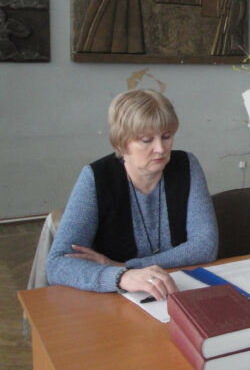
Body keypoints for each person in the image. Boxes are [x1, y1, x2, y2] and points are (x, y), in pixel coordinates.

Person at [46, 89, 218, 300]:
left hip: (175, 290)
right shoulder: (96, 178)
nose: (160, 148)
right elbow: (57, 264)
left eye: (166, 137)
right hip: (113, 300)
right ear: (120, 143)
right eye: (146, 140)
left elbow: (205, 247)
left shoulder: (187, 165)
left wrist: (124, 265)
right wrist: (121, 277)